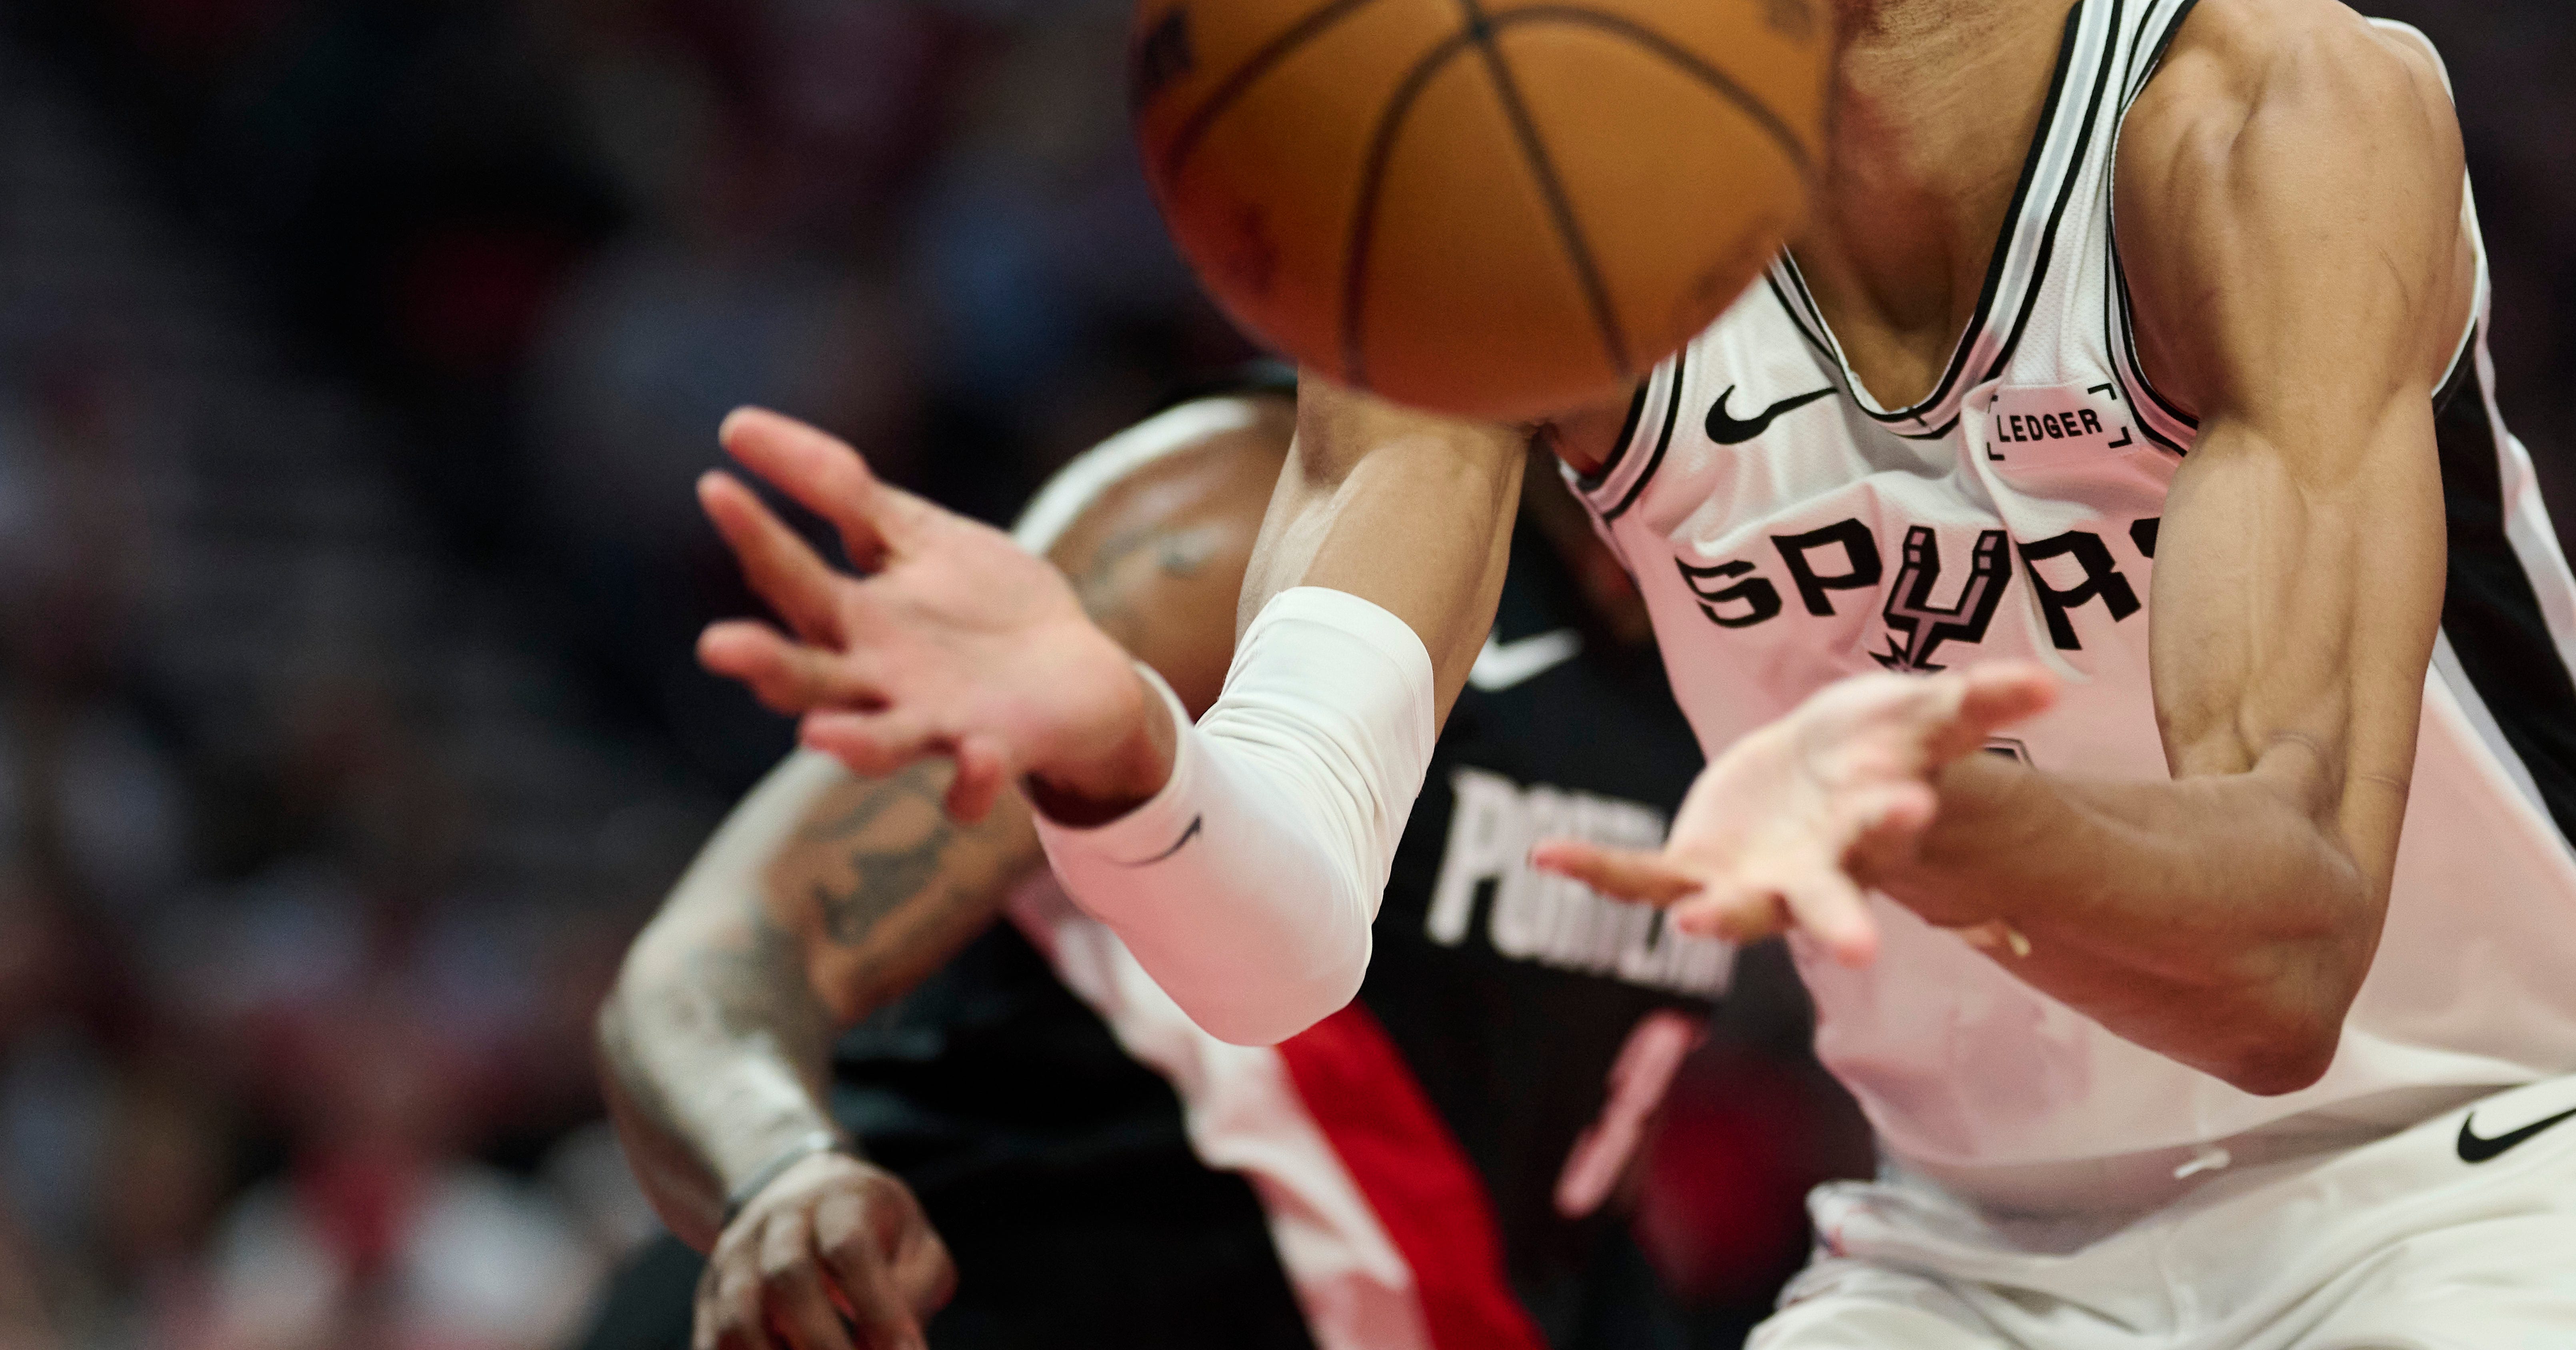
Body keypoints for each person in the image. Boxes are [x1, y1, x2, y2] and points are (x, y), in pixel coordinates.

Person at [694, 0, 2576, 1350]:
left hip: (2490, 1181)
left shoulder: (2264, 120)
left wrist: (1931, 813)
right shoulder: (1509, 187)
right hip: (1984, 1242)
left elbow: (2282, 970)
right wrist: (1125, 766)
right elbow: (1277, 939)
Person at [594, 378, 1730, 1350]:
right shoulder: (1240, 518)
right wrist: (782, 1177)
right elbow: (716, 964)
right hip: (926, 1301)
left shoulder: (1777, 636)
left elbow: (1542, 1163)